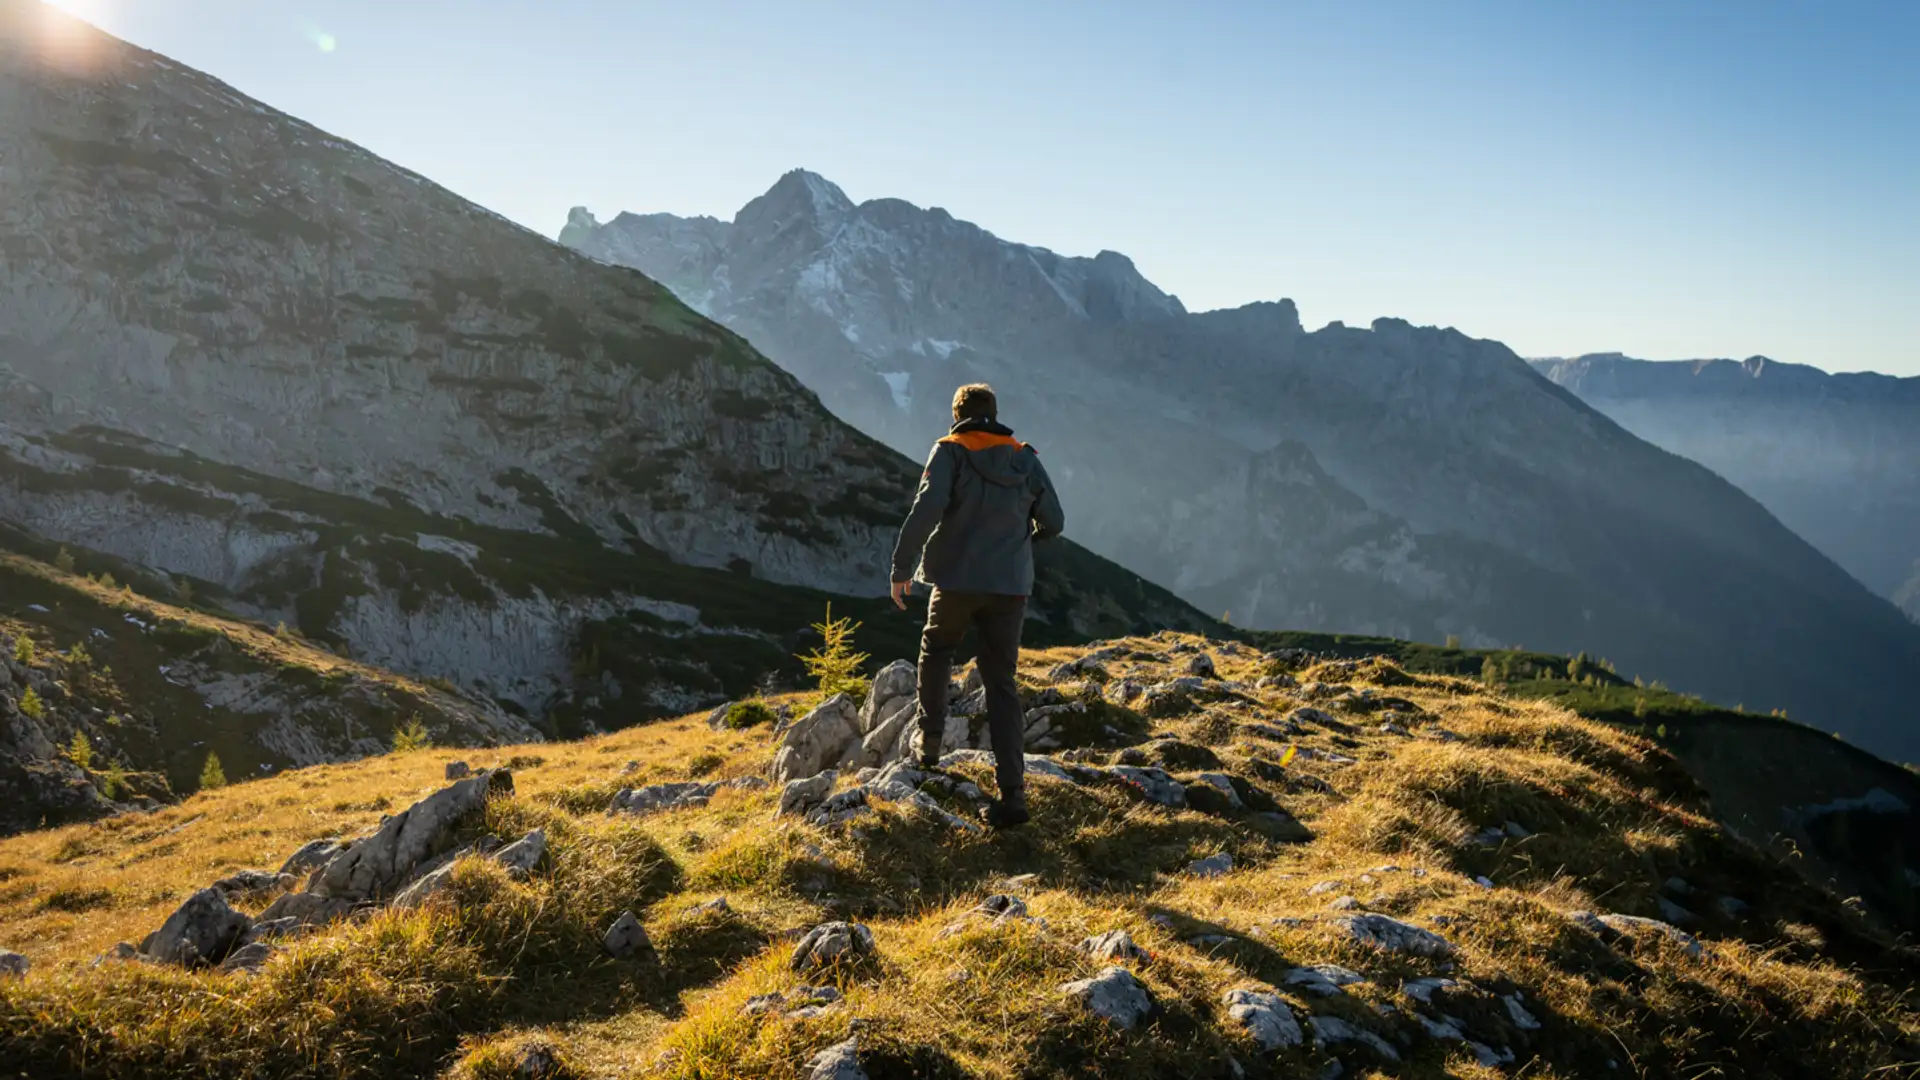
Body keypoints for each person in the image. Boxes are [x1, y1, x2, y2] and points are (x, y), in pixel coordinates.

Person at [890, 382, 1065, 829]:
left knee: (937, 647)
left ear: (957, 415)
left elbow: (925, 510)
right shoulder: (1024, 457)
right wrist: (1021, 545)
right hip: (1010, 587)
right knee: (1000, 682)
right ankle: (1013, 795)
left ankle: (928, 744)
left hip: (956, 580)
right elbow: (1055, 522)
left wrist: (901, 568)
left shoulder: (950, 451)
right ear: (995, 412)